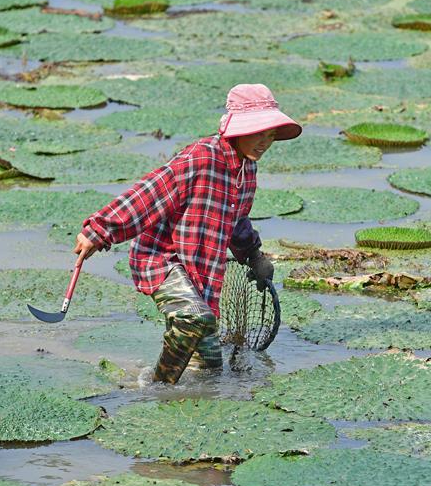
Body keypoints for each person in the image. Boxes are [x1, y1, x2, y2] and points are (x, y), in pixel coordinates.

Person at [73, 83, 302, 384]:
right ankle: (153, 388)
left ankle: (173, 400)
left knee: (208, 371)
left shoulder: (247, 171)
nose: (265, 141)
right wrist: (100, 231)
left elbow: (237, 221)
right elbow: (149, 194)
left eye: (270, 134)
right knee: (193, 318)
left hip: (200, 272)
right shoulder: (201, 157)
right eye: (259, 132)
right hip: (163, 259)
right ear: (237, 130)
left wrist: (254, 256)